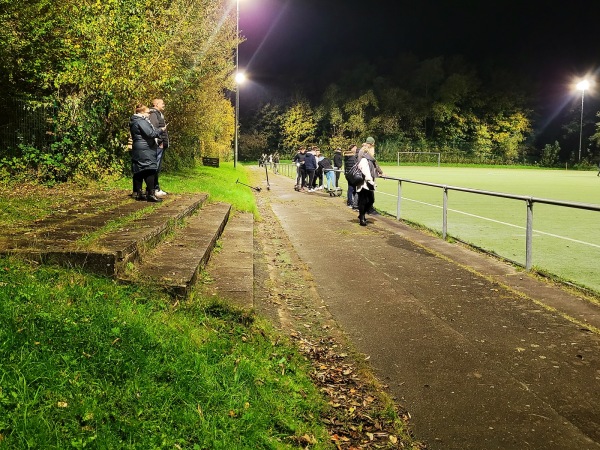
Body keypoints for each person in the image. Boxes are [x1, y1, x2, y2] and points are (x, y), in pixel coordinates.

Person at [130, 104, 166, 202]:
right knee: (150, 169)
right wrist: (160, 130)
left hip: (140, 147)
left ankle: (138, 192)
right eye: (147, 112)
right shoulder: (141, 121)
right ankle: (151, 194)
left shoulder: (135, 120)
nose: (149, 114)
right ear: (141, 112)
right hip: (145, 148)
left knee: (139, 170)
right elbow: (150, 133)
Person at [355, 137, 382, 226]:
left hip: (368, 181)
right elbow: (365, 170)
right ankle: (362, 218)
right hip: (364, 182)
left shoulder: (370, 158)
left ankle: (361, 215)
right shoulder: (364, 157)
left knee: (370, 200)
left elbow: (374, 164)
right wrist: (370, 180)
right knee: (364, 200)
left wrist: (380, 172)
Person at [148, 98, 169, 198]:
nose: (164, 104)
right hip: (158, 145)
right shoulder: (153, 114)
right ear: (156, 104)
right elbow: (154, 129)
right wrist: (159, 142)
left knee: (158, 168)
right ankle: (153, 189)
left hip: (161, 145)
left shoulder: (158, 114)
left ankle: (156, 187)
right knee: (155, 167)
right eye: (162, 103)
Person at [344, 144, 359, 208]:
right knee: (352, 189)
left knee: (350, 188)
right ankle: (352, 202)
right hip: (352, 174)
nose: (356, 149)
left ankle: (350, 202)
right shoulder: (353, 157)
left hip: (348, 174)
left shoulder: (346, 157)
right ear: (352, 148)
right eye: (355, 148)